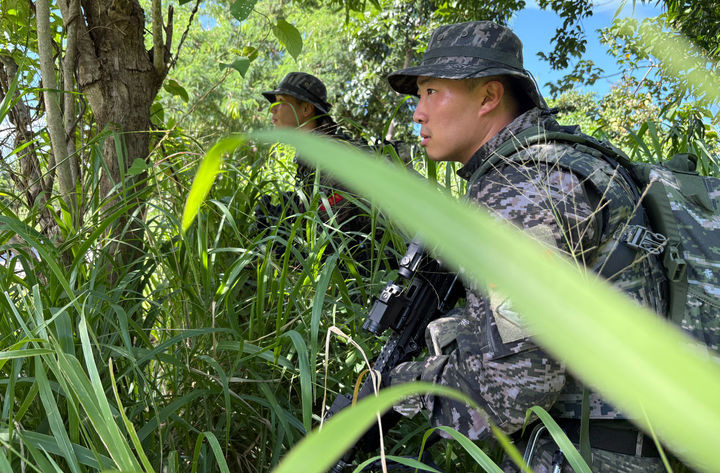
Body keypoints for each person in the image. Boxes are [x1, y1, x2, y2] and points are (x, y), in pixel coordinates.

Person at [384, 21, 669, 472]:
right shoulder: (567, 161)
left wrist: (400, 387)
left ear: (488, 97)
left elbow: (516, 391)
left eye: (432, 92)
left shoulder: (517, 190)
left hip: (592, 455)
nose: (418, 113)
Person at [259, 72, 388, 272]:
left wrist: (284, 240)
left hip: (370, 272)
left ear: (306, 109)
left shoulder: (329, 154)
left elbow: (337, 236)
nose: (273, 109)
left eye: (281, 101)